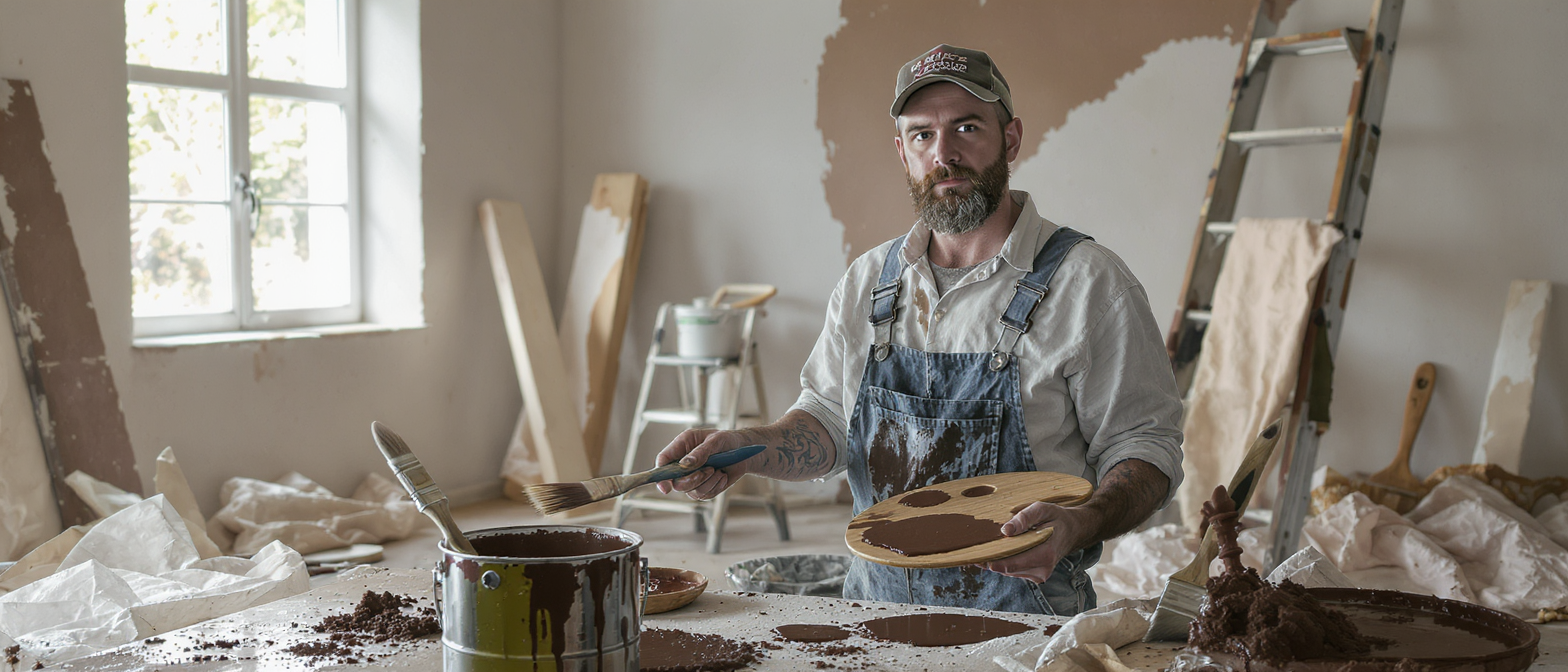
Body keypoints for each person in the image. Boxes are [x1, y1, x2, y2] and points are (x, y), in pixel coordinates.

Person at [655, 44, 1183, 616]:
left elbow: (1145, 447)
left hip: (1025, 625)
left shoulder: (1090, 284)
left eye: (967, 128)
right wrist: (745, 449)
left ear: (1010, 139)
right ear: (902, 152)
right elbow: (830, 422)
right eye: (922, 135)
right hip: (874, 618)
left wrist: (1082, 523)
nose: (943, 154)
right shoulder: (867, 283)